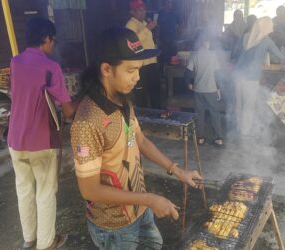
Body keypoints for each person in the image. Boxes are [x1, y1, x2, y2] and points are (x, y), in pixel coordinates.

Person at [70, 26, 203, 250]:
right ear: (106, 69)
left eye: (139, 69)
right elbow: (89, 190)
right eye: (131, 70)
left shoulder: (123, 100)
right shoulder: (87, 122)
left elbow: (139, 140)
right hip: (114, 227)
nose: (137, 77)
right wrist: (150, 200)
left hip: (139, 208)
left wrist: (179, 171)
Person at [8, 17, 76, 250]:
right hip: (42, 141)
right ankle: (47, 243)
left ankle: (29, 240)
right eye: (53, 41)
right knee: (46, 192)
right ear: (46, 38)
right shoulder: (51, 67)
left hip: (15, 140)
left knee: (24, 190)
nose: (53, 46)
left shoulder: (15, 63)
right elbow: (67, 111)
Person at [233, 17, 285, 137]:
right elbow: (280, 56)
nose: (272, 27)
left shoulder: (245, 36)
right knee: (249, 105)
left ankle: (238, 127)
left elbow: (235, 53)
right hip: (251, 78)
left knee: (239, 103)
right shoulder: (266, 41)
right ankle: (245, 131)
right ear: (265, 27)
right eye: (271, 25)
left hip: (238, 75)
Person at [185, 33, 224, 147]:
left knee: (200, 114)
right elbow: (217, 73)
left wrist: (189, 84)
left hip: (198, 90)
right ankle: (218, 139)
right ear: (206, 43)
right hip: (211, 90)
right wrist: (219, 88)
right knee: (215, 114)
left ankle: (200, 138)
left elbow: (187, 72)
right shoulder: (213, 55)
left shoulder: (194, 55)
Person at [126, 0, 161, 108]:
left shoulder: (144, 23)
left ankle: (158, 118)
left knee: (155, 91)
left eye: (144, 10)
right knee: (141, 95)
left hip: (152, 63)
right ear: (132, 12)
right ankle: (143, 119)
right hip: (141, 66)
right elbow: (132, 44)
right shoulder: (130, 25)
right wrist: (147, 29)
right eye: (140, 11)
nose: (143, 12)